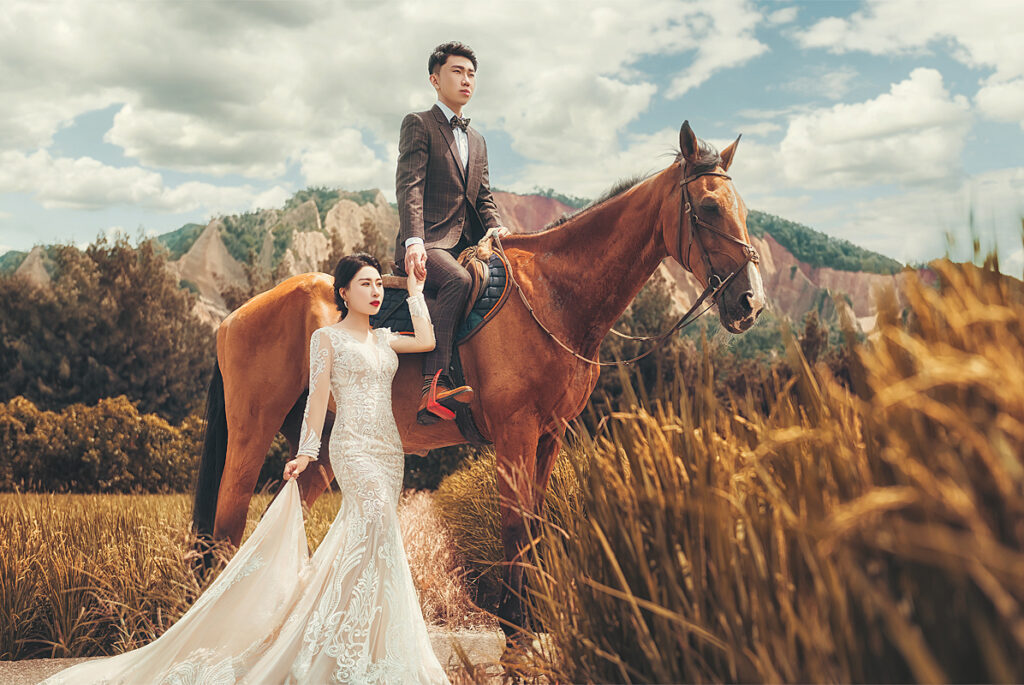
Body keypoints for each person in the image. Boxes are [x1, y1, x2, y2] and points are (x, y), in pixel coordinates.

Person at [44, 253, 449, 684]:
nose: (374, 292)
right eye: (365, 285)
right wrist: (308, 452)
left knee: (381, 543)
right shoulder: (327, 340)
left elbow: (426, 338)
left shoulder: (384, 338)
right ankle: (323, 643)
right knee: (371, 528)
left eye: (378, 285)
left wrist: (417, 291)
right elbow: (315, 405)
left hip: (387, 452)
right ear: (344, 293)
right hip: (353, 449)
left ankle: (369, 643)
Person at [395, 41, 510, 425]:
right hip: (429, 243)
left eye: (471, 74)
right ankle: (432, 385)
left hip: (470, 243)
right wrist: (414, 241)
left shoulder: (478, 140)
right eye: (457, 72)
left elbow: (484, 197)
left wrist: (496, 227)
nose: (466, 80)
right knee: (459, 281)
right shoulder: (419, 123)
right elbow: (409, 185)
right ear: (435, 79)